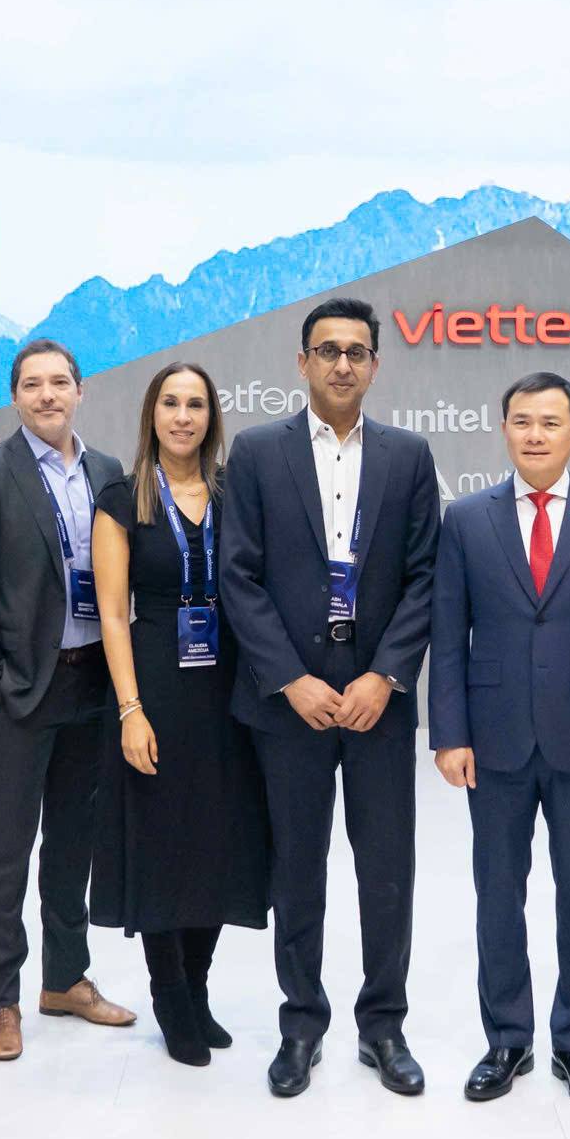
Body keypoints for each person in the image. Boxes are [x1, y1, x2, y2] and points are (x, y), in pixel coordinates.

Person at [221, 298, 440, 1098]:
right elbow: (238, 575)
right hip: (292, 704)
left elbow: (425, 576)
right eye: (327, 350)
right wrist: (290, 677)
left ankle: (383, 1026)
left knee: (387, 870)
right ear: (302, 362)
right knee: (297, 869)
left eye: (356, 352)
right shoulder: (256, 452)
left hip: (379, 701)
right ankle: (301, 1023)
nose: (342, 364)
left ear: (376, 365)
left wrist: (386, 675)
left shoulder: (408, 455)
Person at [431, 372, 570, 1113]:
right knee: (498, 893)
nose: (535, 434)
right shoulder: (466, 520)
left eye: (550, 423)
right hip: (493, 740)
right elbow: (447, 636)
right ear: (504, 429)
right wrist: (449, 733)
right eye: (522, 421)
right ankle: (507, 1037)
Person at [0, 338, 136, 1061]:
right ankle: (1, 1000)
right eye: (32, 384)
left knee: (73, 842)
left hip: (92, 682)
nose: (47, 395)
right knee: (7, 849)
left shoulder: (107, 471)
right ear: (16, 396)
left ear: (81, 390)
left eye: (60, 382)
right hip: (22, 690)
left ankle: (64, 980)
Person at [90, 362, 271, 1066]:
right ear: (152, 414)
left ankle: (197, 987)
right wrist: (130, 710)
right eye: (171, 403)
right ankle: (169, 996)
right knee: (163, 844)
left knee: (218, 844)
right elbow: (112, 614)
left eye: (196, 404)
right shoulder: (122, 497)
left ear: (211, 417)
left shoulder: (234, 493)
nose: (183, 416)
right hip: (156, 686)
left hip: (229, 690)